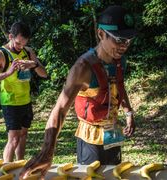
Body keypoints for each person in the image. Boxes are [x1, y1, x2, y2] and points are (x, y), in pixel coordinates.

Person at [20, 5, 136, 179]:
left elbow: (119, 85)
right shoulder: (83, 68)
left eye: (128, 40)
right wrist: (47, 150)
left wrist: (128, 112)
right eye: (119, 39)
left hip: (112, 133)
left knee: (114, 176)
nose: (124, 46)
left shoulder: (120, 61)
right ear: (101, 34)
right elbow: (59, 109)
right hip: (89, 137)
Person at [0, 21, 48, 162]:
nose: (21, 47)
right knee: (14, 139)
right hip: (10, 102)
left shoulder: (28, 52)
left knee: (23, 136)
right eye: (18, 43)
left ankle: (19, 166)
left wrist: (34, 64)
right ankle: (7, 170)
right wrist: (8, 72)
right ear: (10, 36)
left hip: (26, 100)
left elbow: (44, 74)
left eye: (24, 44)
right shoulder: (1, 54)